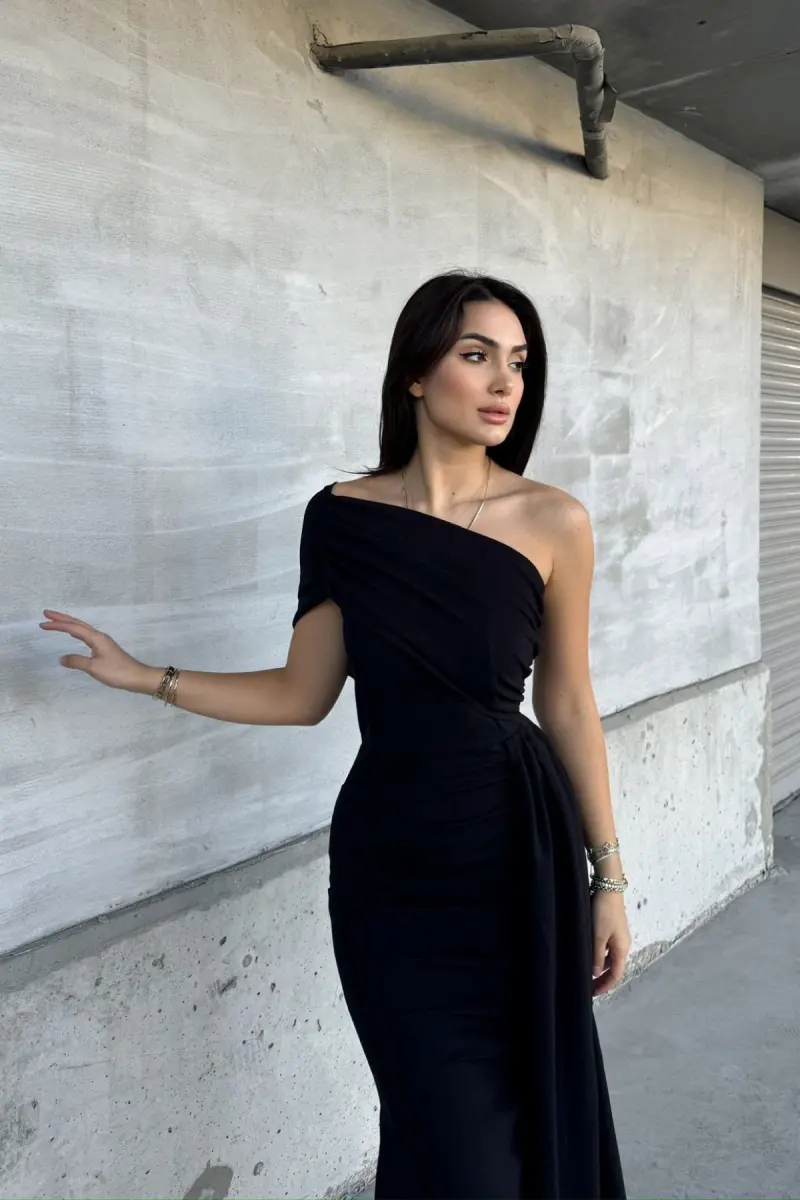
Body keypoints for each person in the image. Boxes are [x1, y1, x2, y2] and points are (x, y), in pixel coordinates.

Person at [41, 271, 630, 1199]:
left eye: (518, 363)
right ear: (416, 373)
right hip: (389, 867)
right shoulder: (342, 518)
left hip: (514, 852)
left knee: (504, 1134)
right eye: (477, 355)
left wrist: (608, 878)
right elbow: (302, 693)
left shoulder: (555, 521)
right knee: (438, 1126)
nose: (504, 383)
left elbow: (567, 704)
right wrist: (146, 675)